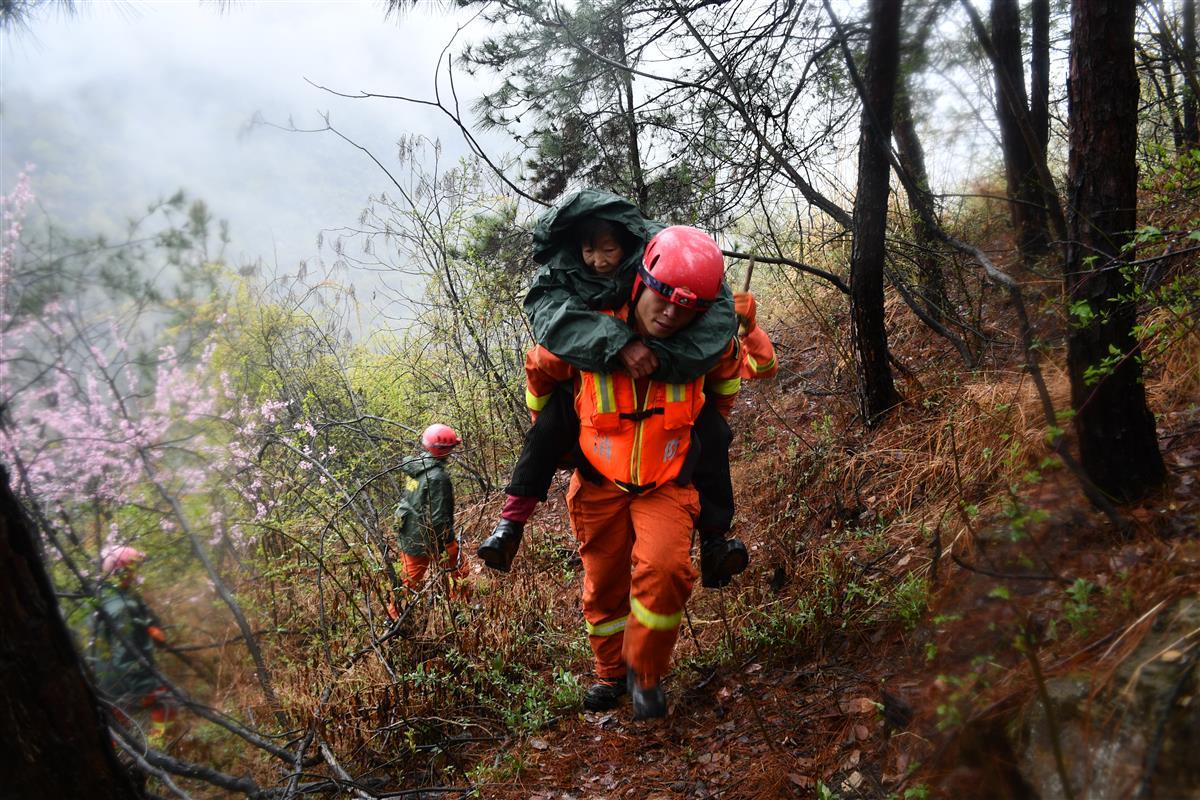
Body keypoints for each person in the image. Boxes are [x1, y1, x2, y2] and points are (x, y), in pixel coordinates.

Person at [520, 225, 744, 719]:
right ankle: (608, 674)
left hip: (667, 483)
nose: (672, 314)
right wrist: (548, 430)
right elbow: (540, 366)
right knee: (604, 586)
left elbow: (729, 375)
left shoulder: (705, 344)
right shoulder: (590, 331)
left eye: (688, 309)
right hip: (599, 483)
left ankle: (645, 674)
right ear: (642, 283)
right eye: (664, 300)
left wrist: (711, 431)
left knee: (665, 572)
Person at [477, 190, 753, 587]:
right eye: (590, 250)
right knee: (546, 429)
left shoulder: (657, 260)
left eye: (609, 250)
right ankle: (511, 524)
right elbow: (546, 339)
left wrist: (667, 361)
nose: (599, 261)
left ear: (629, 246)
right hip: (587, 410)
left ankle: (714, 541)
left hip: (664, 447)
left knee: (713, 434)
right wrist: (614, 344)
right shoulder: (562, 276)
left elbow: (719, 338)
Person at [91, 546, 177, 748]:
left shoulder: (109, 595)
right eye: (132, 567)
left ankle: (123, 759)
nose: (136, 572)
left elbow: (143, 614)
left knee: (115, 726)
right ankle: (157, 750)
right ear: (121, 570)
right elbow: (126, 655)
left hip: (102, 683)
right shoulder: (120, 606)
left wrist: (152, 627)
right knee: (166, 702)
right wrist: (145, 685)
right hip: (120, 681)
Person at [393, 423, 470, 601]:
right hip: (423, 538)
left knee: (408, 580)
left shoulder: (415, 467)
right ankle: (460, 608)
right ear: (444, 450)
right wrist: (449, 542)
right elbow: (438, 517)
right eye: (451, 447)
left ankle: (394, 615)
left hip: (408, 532)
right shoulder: (437, 478)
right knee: (459, 568)